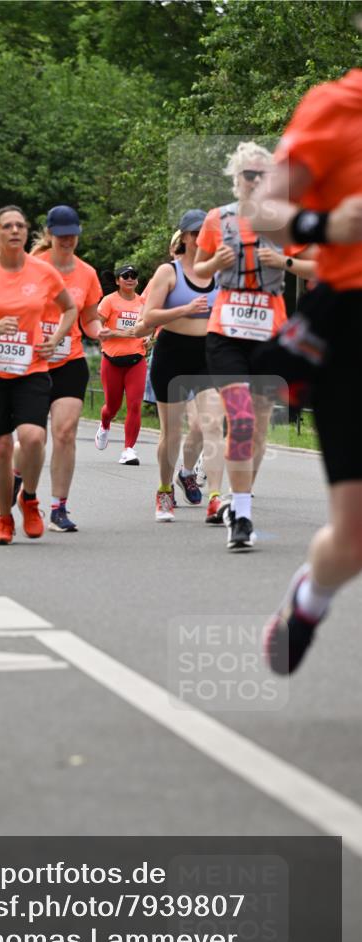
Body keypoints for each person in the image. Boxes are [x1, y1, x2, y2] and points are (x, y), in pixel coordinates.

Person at [243, 68, 362, 671]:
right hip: (352, 326)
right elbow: (265, 211)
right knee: (355, 534)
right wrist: (325, 225)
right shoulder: (337, 106)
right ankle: (309, 599)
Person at [194, 141, 316, 550]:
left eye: (266, 175)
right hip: (226, 333)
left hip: (270, 336)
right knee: (242, 420)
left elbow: (323, 264)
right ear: (237, 180)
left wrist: (284, 263)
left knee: (258, 431)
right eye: (251, 175)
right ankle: (242, 518)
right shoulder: (218, 219)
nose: (258, 182)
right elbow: (198, 269)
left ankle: (238, 502)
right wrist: (216, 264)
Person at [0, 204, 76, 545]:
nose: (15, 230)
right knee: (2, 448)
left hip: (30, 368)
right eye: (7, 226)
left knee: (34, 437)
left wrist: (55, 338)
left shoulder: (44, 272)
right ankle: (4, 518)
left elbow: (70, 308)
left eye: (20, 225)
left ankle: (30, 499)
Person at [22, 204, 104, 531]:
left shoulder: (87, 274)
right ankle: (20, 481)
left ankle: (58, 508)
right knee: (33, 439)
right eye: (62, 235)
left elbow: (90, 320)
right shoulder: (31, 267)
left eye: (73, 235)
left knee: (65, 432)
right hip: (33, 362)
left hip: (70, 360)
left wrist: (105, 332)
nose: (68, 240)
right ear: (50, 234)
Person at [143, 210, 225, 523]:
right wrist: (186, 309)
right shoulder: (169, 272)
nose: (200, 238)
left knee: (212, 425)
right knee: (171, 433)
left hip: (207, 355)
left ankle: (216, 498)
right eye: (195, 233)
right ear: (185, 237)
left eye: (206, 232)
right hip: (172, 354)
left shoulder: (222, 272)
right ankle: (165, 490)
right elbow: (149, 317)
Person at [95, 265, 153, 465]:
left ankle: (129, 449)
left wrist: (149, 337)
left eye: (134, 275)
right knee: (112, 406)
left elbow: (150, 325)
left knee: (135, 405)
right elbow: (96, 325)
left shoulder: (144, 302)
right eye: (125, 276)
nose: (130, 278)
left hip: (136, 360)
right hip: (112, 360)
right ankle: (104, 425)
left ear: (137, 280)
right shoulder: (109, 301)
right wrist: (112, 333)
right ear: (118, 280)